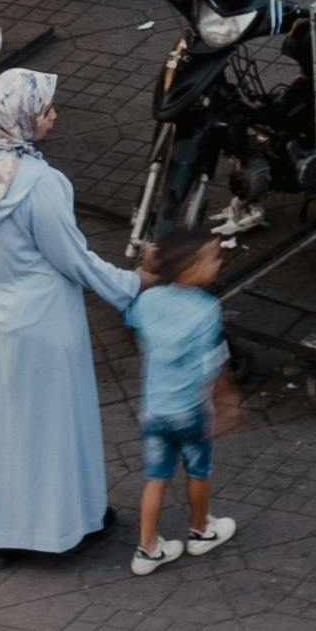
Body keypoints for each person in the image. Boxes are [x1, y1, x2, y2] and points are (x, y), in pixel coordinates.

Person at [0, 68, 136, 562]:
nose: (53, 115)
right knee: (57, 423)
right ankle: (69, 523)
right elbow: (74, 259)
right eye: (43, 111)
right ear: (17, 120)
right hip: (41, 319)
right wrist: (130, 287)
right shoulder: (40, 183)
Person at [124, 226, 238, 582]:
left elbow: (130, 318)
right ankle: (200, 530)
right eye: (212, 259)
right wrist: (227, 399)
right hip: (191, 409)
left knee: (155, 478)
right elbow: (213, 363)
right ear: (191, 268)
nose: (217, 263)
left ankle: (147, 549)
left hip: (153, 410)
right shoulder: (206, 310)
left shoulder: (148, 301)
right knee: (197, 472)